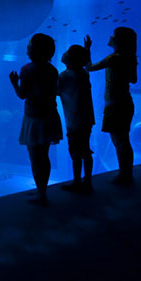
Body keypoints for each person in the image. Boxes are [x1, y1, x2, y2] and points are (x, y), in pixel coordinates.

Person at [9, 33, 64, 206]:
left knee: (34, 157)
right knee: (45, 156)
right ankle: (42, 190)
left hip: (34, 118)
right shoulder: (52, 69)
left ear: (35, 51)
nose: (27, 49)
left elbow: (22, 94)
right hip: (49, 117)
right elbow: (56, 91)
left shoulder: (27, 69)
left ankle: (41, 194)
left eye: (29, 47)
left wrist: (14, 82)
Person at [86, 28, 138, 185]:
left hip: (115, 105)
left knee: (119, 141)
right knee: (124, 140)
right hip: (126, 102)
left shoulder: (113, 58)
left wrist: (87, 49)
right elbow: (133, 79)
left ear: (119, 41)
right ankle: (126, 173)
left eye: (113, 35)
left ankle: (124, 175)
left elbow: (89, 67)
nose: (110, 36)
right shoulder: (130, 57)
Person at [57, 43, 96, 193]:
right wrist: (87, 50)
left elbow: (55, 91)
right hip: (86, 118)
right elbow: (87, 64)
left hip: (73, 120)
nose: (64, 53)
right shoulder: (83, 73)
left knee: (75, 152)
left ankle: (77, 182)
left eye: (67, 52)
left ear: (71, 59)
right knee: (85, 150)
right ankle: (87, 181)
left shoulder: (65, 75)